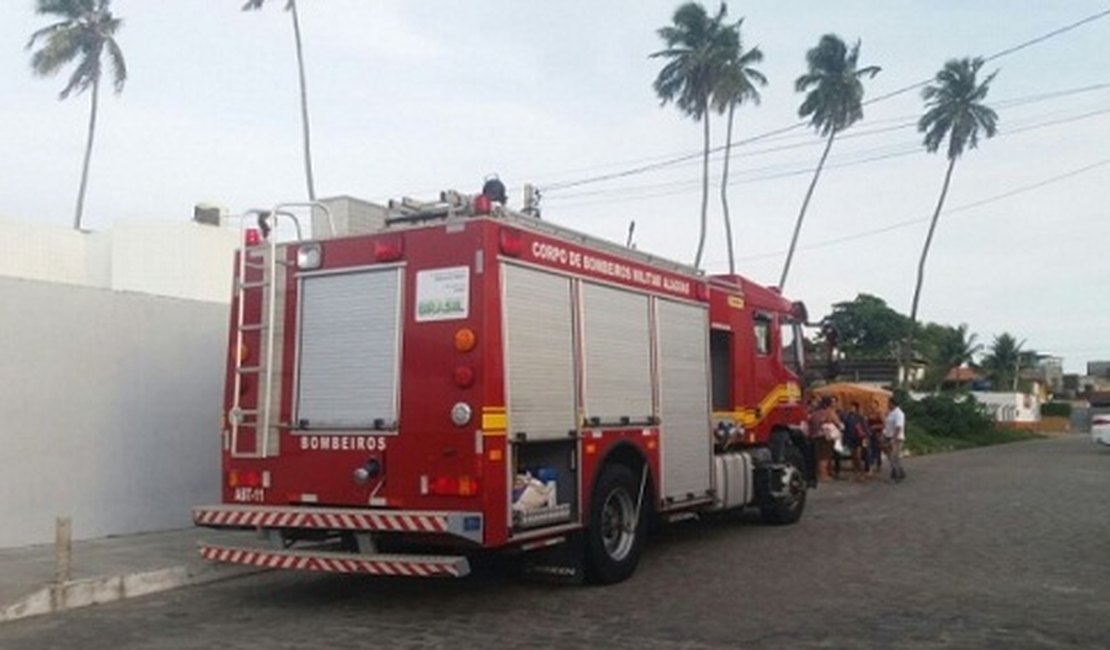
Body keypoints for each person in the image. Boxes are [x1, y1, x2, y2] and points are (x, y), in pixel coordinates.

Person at [840, 401, 867, 481]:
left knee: (858, 456)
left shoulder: (860, 417)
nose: (851, 408)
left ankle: (861, 473)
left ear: (856, 408)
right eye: (851, 407)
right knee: (853, 456)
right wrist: (844, 439)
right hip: (850, 438)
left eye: (853, 407)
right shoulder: (847, 417)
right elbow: (845, 428)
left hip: (858, 438)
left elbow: (864, 428)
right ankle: (855, 473)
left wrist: (865, 437)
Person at [883, 395, 907, 483]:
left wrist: (894, 439)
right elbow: (887, 425)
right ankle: (900, 472)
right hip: (888, 436)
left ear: (892, 403)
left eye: (888, 403)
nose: (887, 404)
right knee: (890, 457)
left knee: (894, 457)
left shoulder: (899, 413)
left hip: (897, 438)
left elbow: (898, 427)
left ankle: (896, 476)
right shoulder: (890, 413)